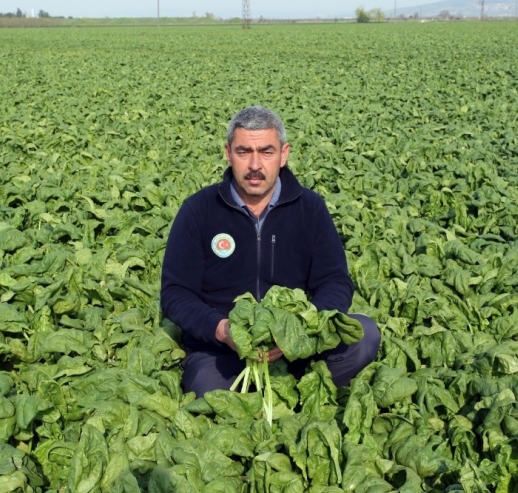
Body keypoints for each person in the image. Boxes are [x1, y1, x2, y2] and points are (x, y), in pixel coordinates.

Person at [160, 105, 380, 398]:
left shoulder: (310, 209)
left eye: (266, 151)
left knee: (365, 336)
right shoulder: (198, 210)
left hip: (299, 348)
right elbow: (176, 292)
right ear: (228, 153)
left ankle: (291, 387)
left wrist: (300, 330)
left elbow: (335, 281)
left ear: (283, 154)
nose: (254, 165)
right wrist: (223, 330)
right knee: (206, 388)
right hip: (226, 352)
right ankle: (278, 394)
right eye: (243, 152)